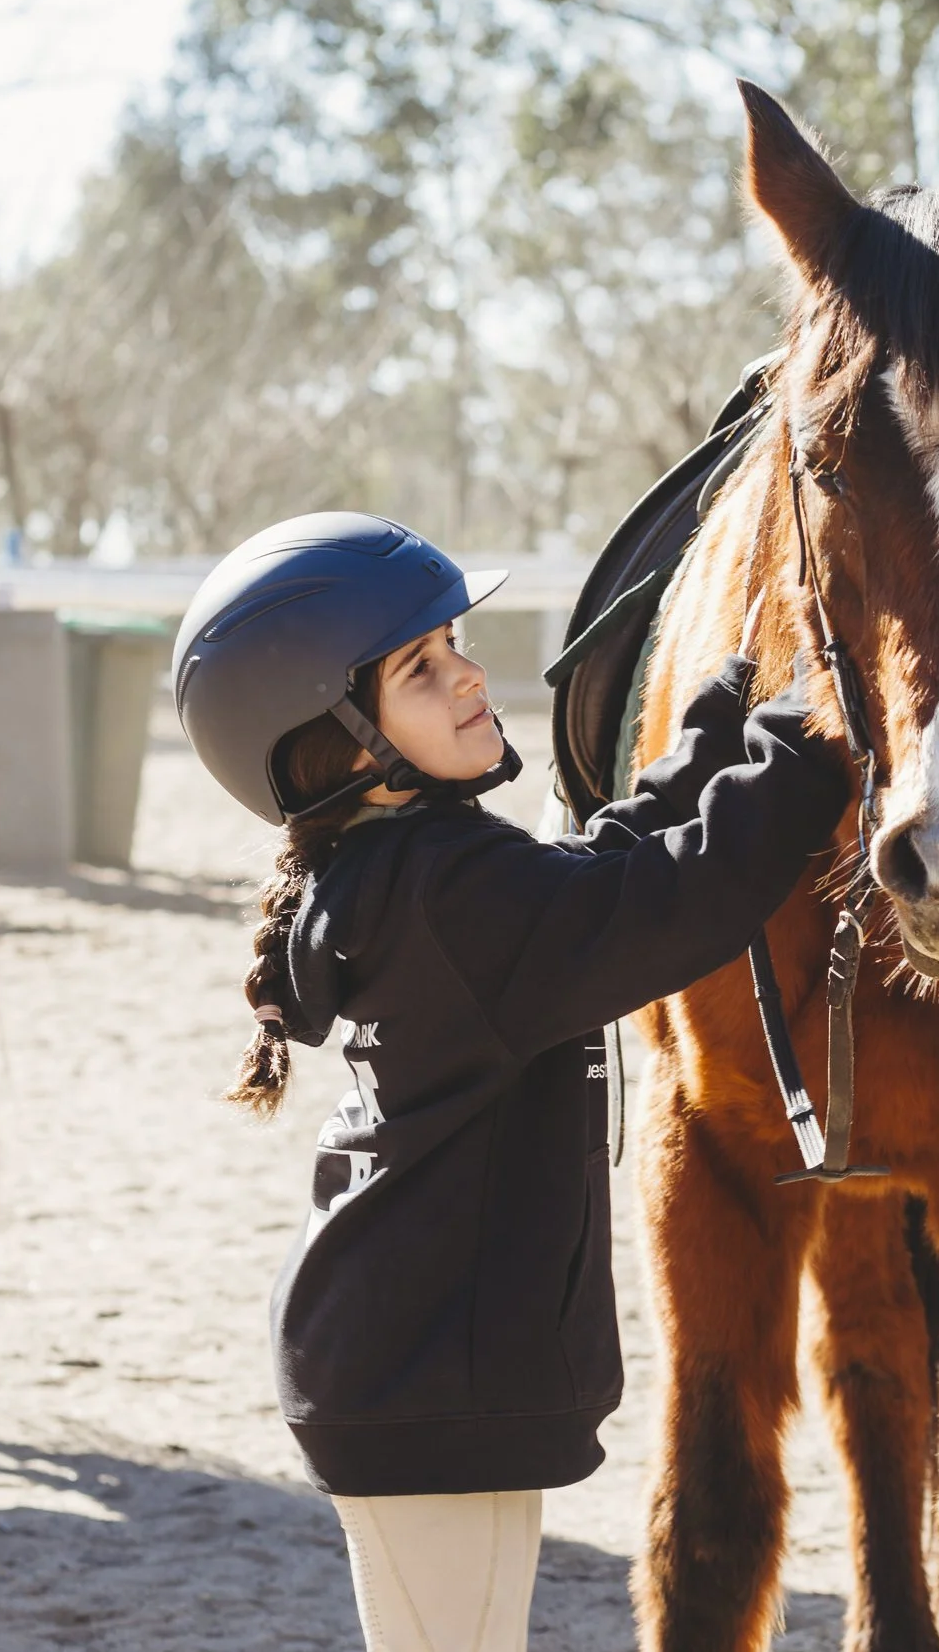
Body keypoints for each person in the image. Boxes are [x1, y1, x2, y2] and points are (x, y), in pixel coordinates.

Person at [171, 512, 848, 1652]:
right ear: (337, 745)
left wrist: (718, 723)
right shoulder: (450, 899)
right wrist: (811, 734)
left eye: (456, 644)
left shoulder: (419, 870)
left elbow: (596, 867)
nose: (469, 676)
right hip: (427, 1369)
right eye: (420, 670)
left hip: (416, 1360)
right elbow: (671, 901)